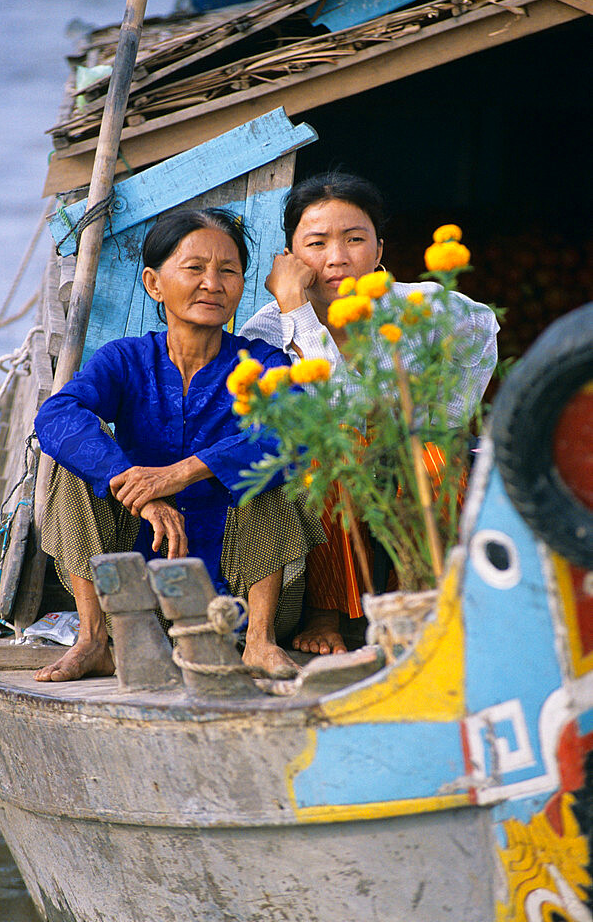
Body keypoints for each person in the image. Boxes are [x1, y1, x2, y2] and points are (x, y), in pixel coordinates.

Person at [33, 208, 323, 683]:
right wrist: (137, 487)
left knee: (270, 468)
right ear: (153, 283)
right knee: (78, 466)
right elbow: (56, 417)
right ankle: (94, 640)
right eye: (195, 268)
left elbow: (295, 431)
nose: (213, 282)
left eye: (228, 271)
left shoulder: (262, 362)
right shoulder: (126, 359)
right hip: (136, 603)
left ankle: (259, 644)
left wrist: (186, 471)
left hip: (239, 598)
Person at [240, 171, 499, 655]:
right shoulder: (267, 331)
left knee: (433, 457)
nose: (336, 257)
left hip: (406, 450)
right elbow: (335, 405)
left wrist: (443, 414)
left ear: (379, 250)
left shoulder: (415, 306)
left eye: (354, 239)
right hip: (329, 465)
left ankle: (420, 598)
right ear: (290, 256)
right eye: (316, 243)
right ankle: (326, 611)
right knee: (329, 450)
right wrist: (296, 310)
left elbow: (482, 326)